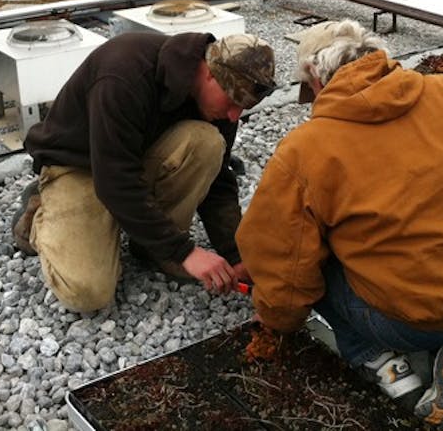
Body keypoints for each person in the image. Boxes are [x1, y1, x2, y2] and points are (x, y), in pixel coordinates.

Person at [236, 20, 443, 425]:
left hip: (401, 323)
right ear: (378, 56)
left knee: (311, 260)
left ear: (317, 79)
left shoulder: (307, 148)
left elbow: (284, 263)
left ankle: (379, 362)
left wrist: (276, 318)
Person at [14, 30, 276, 312]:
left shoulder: (220, 103)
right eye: (233, 102)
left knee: (209, 142)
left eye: (244, 107)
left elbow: (218, 178)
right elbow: (115, 179)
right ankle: (40, 214)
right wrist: (184, 251)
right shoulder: (124, 73)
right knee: (87, 293)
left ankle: (152, 246)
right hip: (79, 164)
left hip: (131, 163)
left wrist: (235, 253)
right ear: (211, 74)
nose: (234, 116)